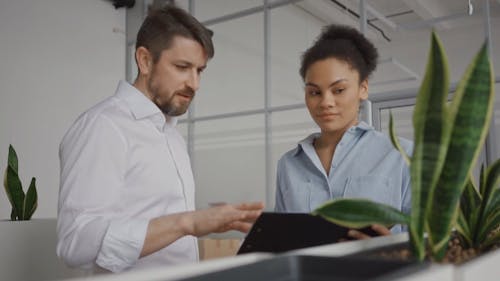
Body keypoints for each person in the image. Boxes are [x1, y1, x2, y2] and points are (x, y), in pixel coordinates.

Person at [57, 5, 263, 273]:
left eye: (199, 70)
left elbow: (164, 230)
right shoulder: (103, 127)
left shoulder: (172, 136)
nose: (195, 83)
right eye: (182, 67)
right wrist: (186, 223)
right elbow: (75, 243)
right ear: (144, 60)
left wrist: (206, 221)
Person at [274, 24, 412, 237]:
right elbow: (282, 239)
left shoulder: (402, 155)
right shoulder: (288, 164)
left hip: (384, 270)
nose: (325, 102)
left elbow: (432, 242)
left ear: (363, 88)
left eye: (338, 90)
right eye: (314, 92)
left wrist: (391, 247)